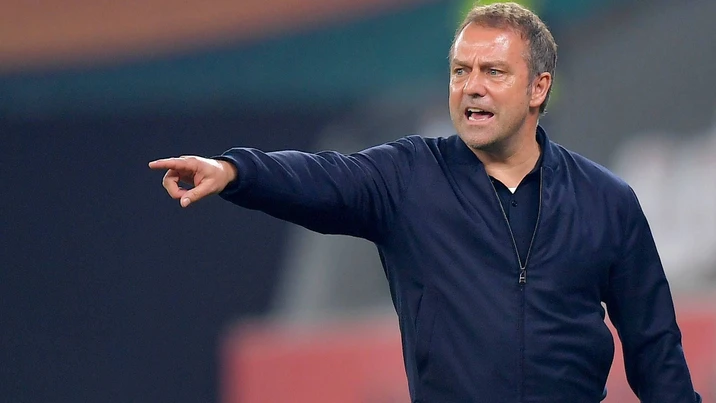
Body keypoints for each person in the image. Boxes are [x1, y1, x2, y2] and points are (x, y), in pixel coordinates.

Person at [149, 2, 701, 402]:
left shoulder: (607, 201)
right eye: (461, 71)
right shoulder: (408, 177)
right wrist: (236, 171)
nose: (471, 87)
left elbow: (656, 354)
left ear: (539, 88)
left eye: (493, 72)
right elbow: (324, 179)